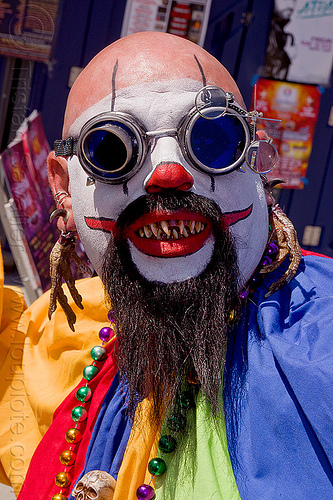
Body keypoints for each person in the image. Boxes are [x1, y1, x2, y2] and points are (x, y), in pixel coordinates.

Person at [0, 31, 332, 500]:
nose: (168, 174)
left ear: (256, 158)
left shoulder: (321, 336)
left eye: (212, 140)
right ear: (64, 190)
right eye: (111, 150)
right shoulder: (60, 337)